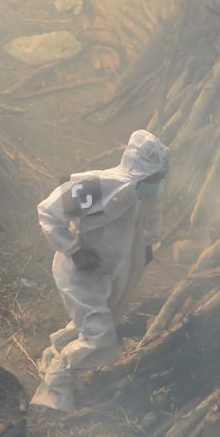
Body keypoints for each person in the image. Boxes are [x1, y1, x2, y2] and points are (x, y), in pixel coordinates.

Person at [30, 129, 170, 412]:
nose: (156, 185)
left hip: (117, 272)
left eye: (159, 178)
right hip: (82, 274)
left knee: (96, 324)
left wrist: (146, 246)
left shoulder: (143, 195)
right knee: (101, 338)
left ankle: (55, 353)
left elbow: (149, 221)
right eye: (153, 178)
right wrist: (74, 249)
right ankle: (54, 387)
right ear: (141, 173)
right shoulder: (98, 186)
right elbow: (47, 212)